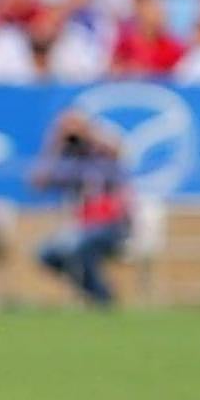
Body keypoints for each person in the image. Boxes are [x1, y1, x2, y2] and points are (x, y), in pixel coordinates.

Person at [31, 111, 130, 305]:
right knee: (47, 253)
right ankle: (98, 293)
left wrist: (89, 134)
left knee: (80, 247)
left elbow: (119, 153)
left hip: (111, 226)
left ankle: (102, 298)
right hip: (81, 226)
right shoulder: (70, 162)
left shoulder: (104, 158)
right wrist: (55, 144)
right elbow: (38, 183)